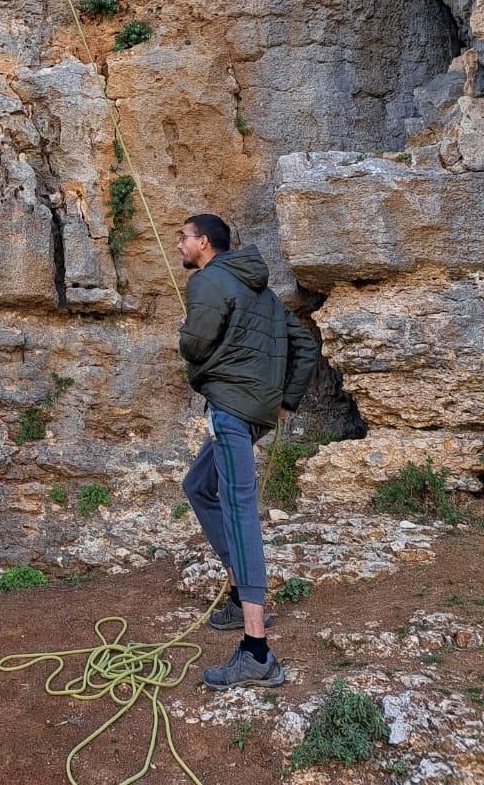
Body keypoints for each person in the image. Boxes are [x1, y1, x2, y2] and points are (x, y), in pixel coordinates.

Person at [177, 213, 319, 690]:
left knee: (239, 511)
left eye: (184, 237)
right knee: (198, 484)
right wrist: (283, 402)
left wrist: (188, 338)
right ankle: (239, 594)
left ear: (204, 242)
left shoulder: (209, 280)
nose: (179, 244)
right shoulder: (260, 289)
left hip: (230, 410)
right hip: (252, 412)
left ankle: (257, 649)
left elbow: (194, 346)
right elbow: (304, 344)